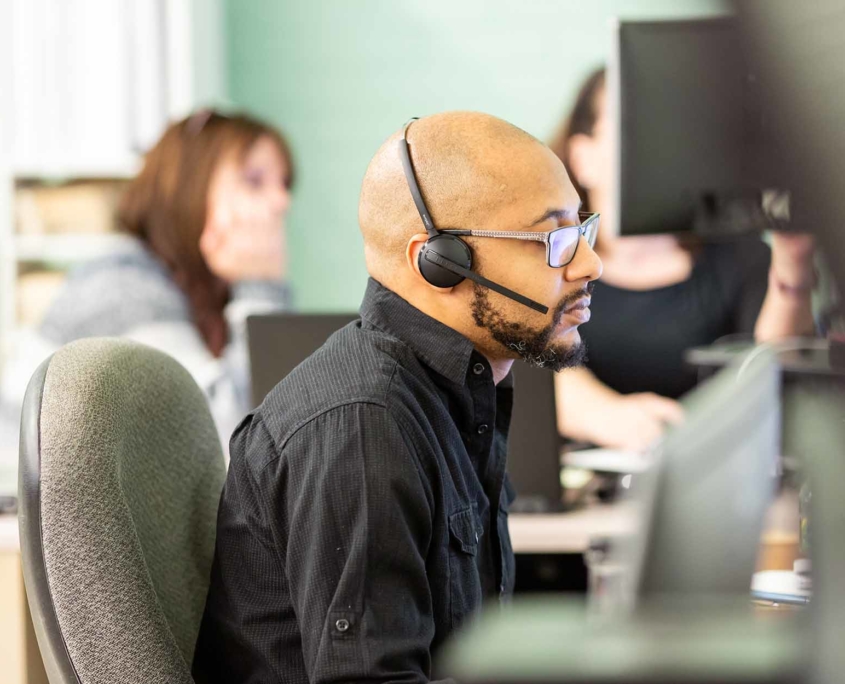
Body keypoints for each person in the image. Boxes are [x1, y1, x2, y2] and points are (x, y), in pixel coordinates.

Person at [191, 112, 603, 683]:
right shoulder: (364, 427)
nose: (589, 263)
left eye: (583, 229)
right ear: (439, 264)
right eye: (553, 240)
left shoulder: (458, 396)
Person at [549, 68, 817, 452]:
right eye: (634, 126)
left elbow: (776, 374)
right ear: (582, 157)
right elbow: (525, 361)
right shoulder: (554, 258)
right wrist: (605, 415)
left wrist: (793, 264)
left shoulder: (741, 257)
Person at [0, 110, 295, 456]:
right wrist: (260, 288)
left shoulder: (207, 294)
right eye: (255, 180)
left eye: (284, 183)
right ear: (189, 188)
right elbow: (227, 444)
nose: (281, 201)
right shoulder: (123, 286)